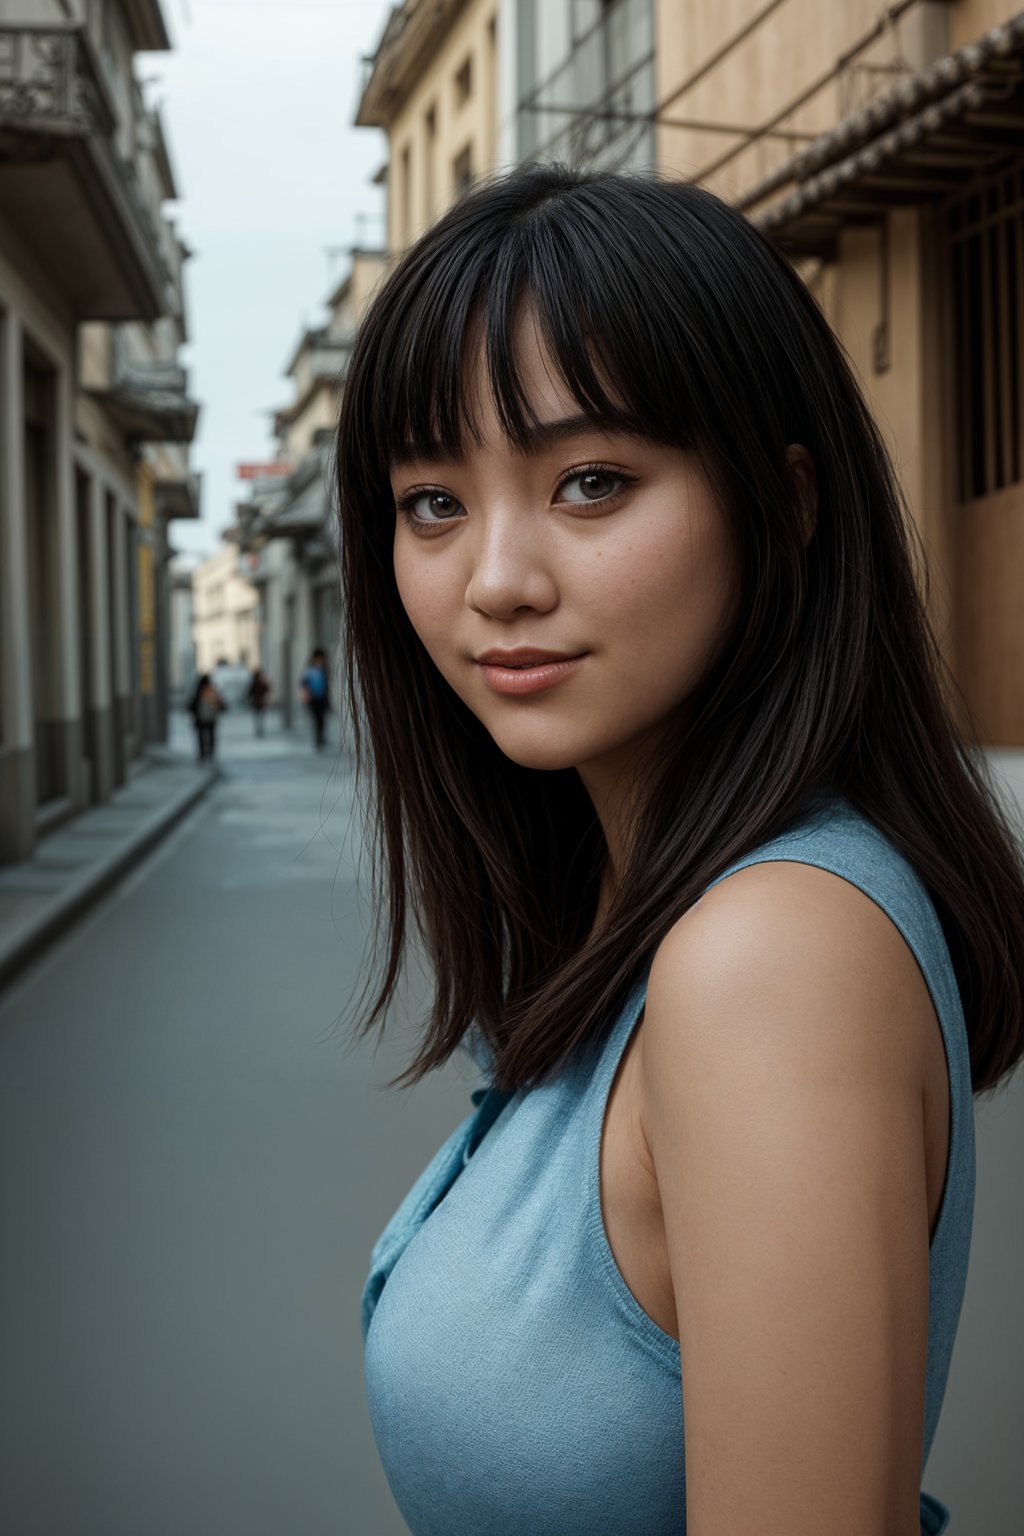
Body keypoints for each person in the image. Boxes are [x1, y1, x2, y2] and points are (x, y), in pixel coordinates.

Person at [336, 164, 1024, 1536]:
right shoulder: (643, 915)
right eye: (432, 502)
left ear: (789, 500)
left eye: (592, 482)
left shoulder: (768, 955)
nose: (496, 579)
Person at [187, 673, 226, 762]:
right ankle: (209, 752)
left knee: (201, 736)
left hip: (201, 718)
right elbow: (221, 703)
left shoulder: (198, 691)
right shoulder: (211, 691)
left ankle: (202, 753)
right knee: (211, 735)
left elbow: (192, 705)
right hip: (211, 717)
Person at [298, 647, 330, 750]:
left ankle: (321, 737)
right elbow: (303, 683)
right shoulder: (309, 670)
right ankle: (318, 739)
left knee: (322, 719)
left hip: (322, 698)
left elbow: (327, 685)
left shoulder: (324, 670)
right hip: (313, 699)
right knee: (317, 719)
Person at [247, 667, 272, 736]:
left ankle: (259, 729)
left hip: (258, 702)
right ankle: (259, 729)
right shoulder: (259, 684)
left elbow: (249, 693)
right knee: (260, 717)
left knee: (258, 717)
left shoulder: (255, 683)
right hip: (259, 702)